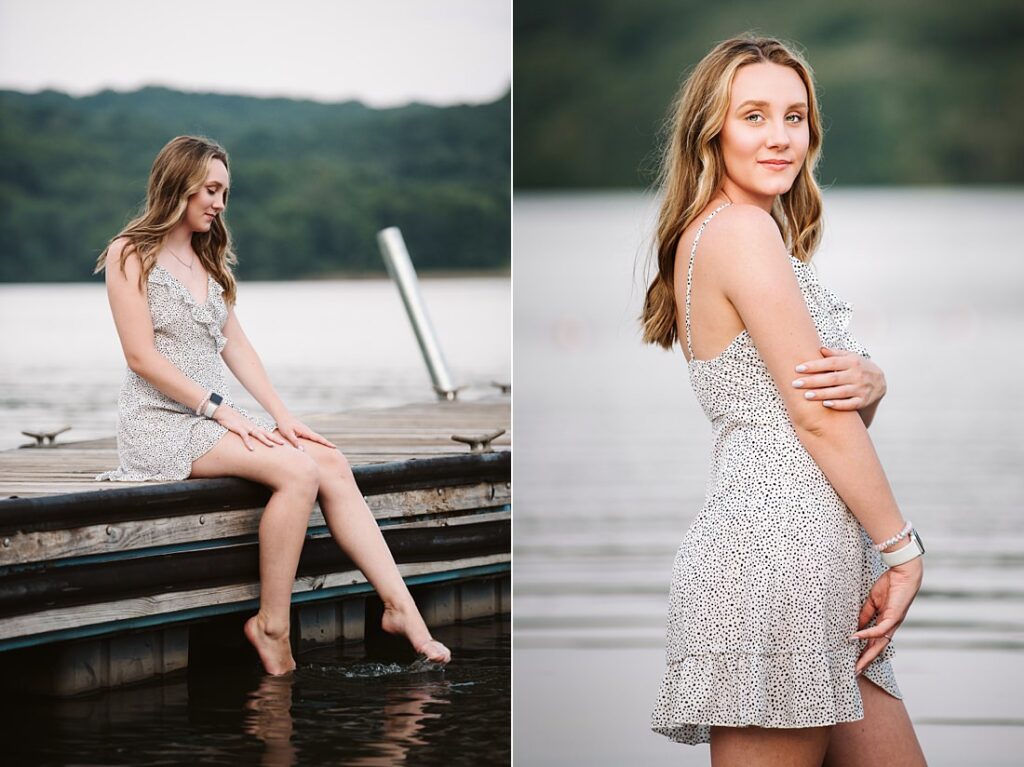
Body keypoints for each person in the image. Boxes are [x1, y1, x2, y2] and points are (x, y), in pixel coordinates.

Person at [640, 35, 928, 766]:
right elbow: (810, 415)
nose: (780, 137)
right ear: (712, 131)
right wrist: (903, 548)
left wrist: (873, 380)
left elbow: (819, 401)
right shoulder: (738, 230)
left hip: (821, 560)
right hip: (773, 561)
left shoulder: (755, 233)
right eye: (755, 116)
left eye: (795, 117)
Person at [93, 135, 451, 675]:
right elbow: (141, 356)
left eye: (224, 193)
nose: (218, 203)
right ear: (178, 185)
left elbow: (238, 346)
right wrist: (221, 410)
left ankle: (403, 612)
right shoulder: (130, 252)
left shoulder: (207, 256)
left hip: (214, 418)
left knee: (326, 459)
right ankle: (271, 625)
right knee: (296, 474)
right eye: (210, 190)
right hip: (161, 423)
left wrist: (283, 416)